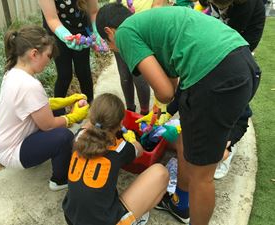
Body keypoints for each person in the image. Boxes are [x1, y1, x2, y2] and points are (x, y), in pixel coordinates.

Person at [95, 3, 261, 225]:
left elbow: (164, 92)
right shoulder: (151, 22)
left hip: (217, 77)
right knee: (186, 142)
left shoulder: (124, 33)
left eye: (108, 44)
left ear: (109, 32)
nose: (113, 47)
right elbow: (172, 84)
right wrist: (159, 110)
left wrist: (162, 101)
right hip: (242, 63)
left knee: (202, 176)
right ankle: (180, 202)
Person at [0, 25, 89, 191]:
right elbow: (48, 125)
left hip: (4, 143)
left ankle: (39, 152)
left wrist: (67, 101)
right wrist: (72, 117)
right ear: (34, 54)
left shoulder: (13, 73)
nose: (50, 61)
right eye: (48, 55)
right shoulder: (29, 85)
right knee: (64, 136)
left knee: (57, 129)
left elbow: (38, 105)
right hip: (12, 151)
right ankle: (59, 180)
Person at [62, 93, 169, 225]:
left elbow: (88, 124)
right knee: (160, 172)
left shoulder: (78, 136)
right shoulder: (120, 148)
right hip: (105, 222)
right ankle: (134, 219)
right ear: (120, 124)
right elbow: (140, 151)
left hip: (71, 217)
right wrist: (132, 139)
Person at [198, 0, 265, 179]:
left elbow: (232, 41)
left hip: (240, 46)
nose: (218, 9)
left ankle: (228, 146)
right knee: (210, 93)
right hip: (217, 42)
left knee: (232, 101)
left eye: (222, 6)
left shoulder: (247, 7)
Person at [39, 0, 101, 116]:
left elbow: (93, 11)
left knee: (83, 71)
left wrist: (97, 32)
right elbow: (52, 19)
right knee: (64, 74)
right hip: (58, 31)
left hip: (81, 30)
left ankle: (90, 107)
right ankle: (57, 113)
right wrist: (66, 36)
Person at [109, 0, 167, 115]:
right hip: (118, 33)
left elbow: (158, 7)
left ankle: (144, 112)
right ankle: (130, 110)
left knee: (139, 78)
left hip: (140, 35)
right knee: (124, 76)